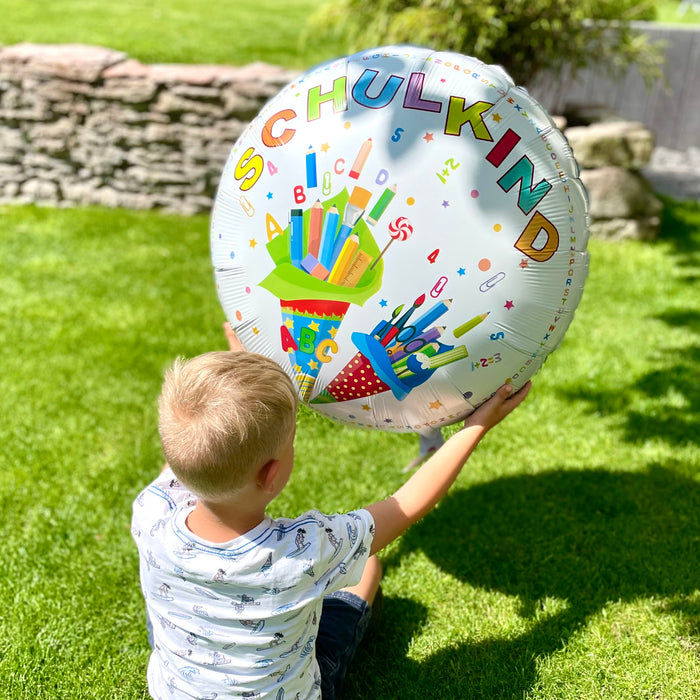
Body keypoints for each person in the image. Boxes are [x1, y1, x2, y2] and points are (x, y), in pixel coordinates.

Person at [132, 324, 531, 699]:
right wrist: (475, 427)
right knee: (368, 569)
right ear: (272, 474)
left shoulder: (151, 511)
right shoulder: (306, 550)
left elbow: (187, 449)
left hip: (180, 689)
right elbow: (407, 504)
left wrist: (241, 362)